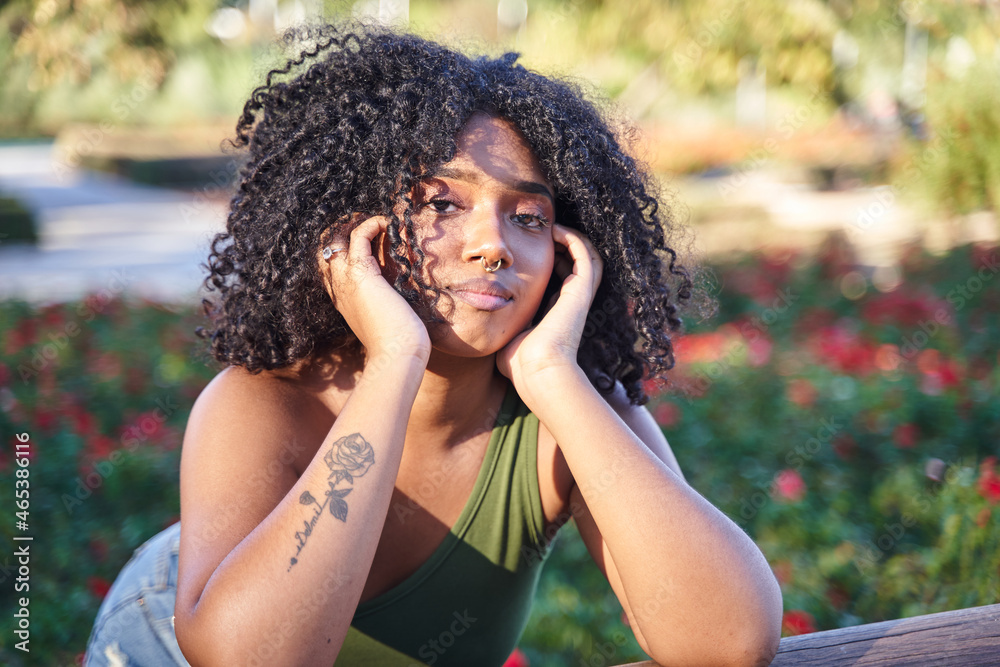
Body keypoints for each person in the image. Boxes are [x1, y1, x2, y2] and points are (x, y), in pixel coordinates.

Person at [86, 22, 783, 667]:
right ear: (356, 231)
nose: (492, 246)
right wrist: (394, 360)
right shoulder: (263, 404)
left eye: (530, 216)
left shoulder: (565, 414)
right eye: (441, 203)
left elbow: (729, 638)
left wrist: (552, 376)